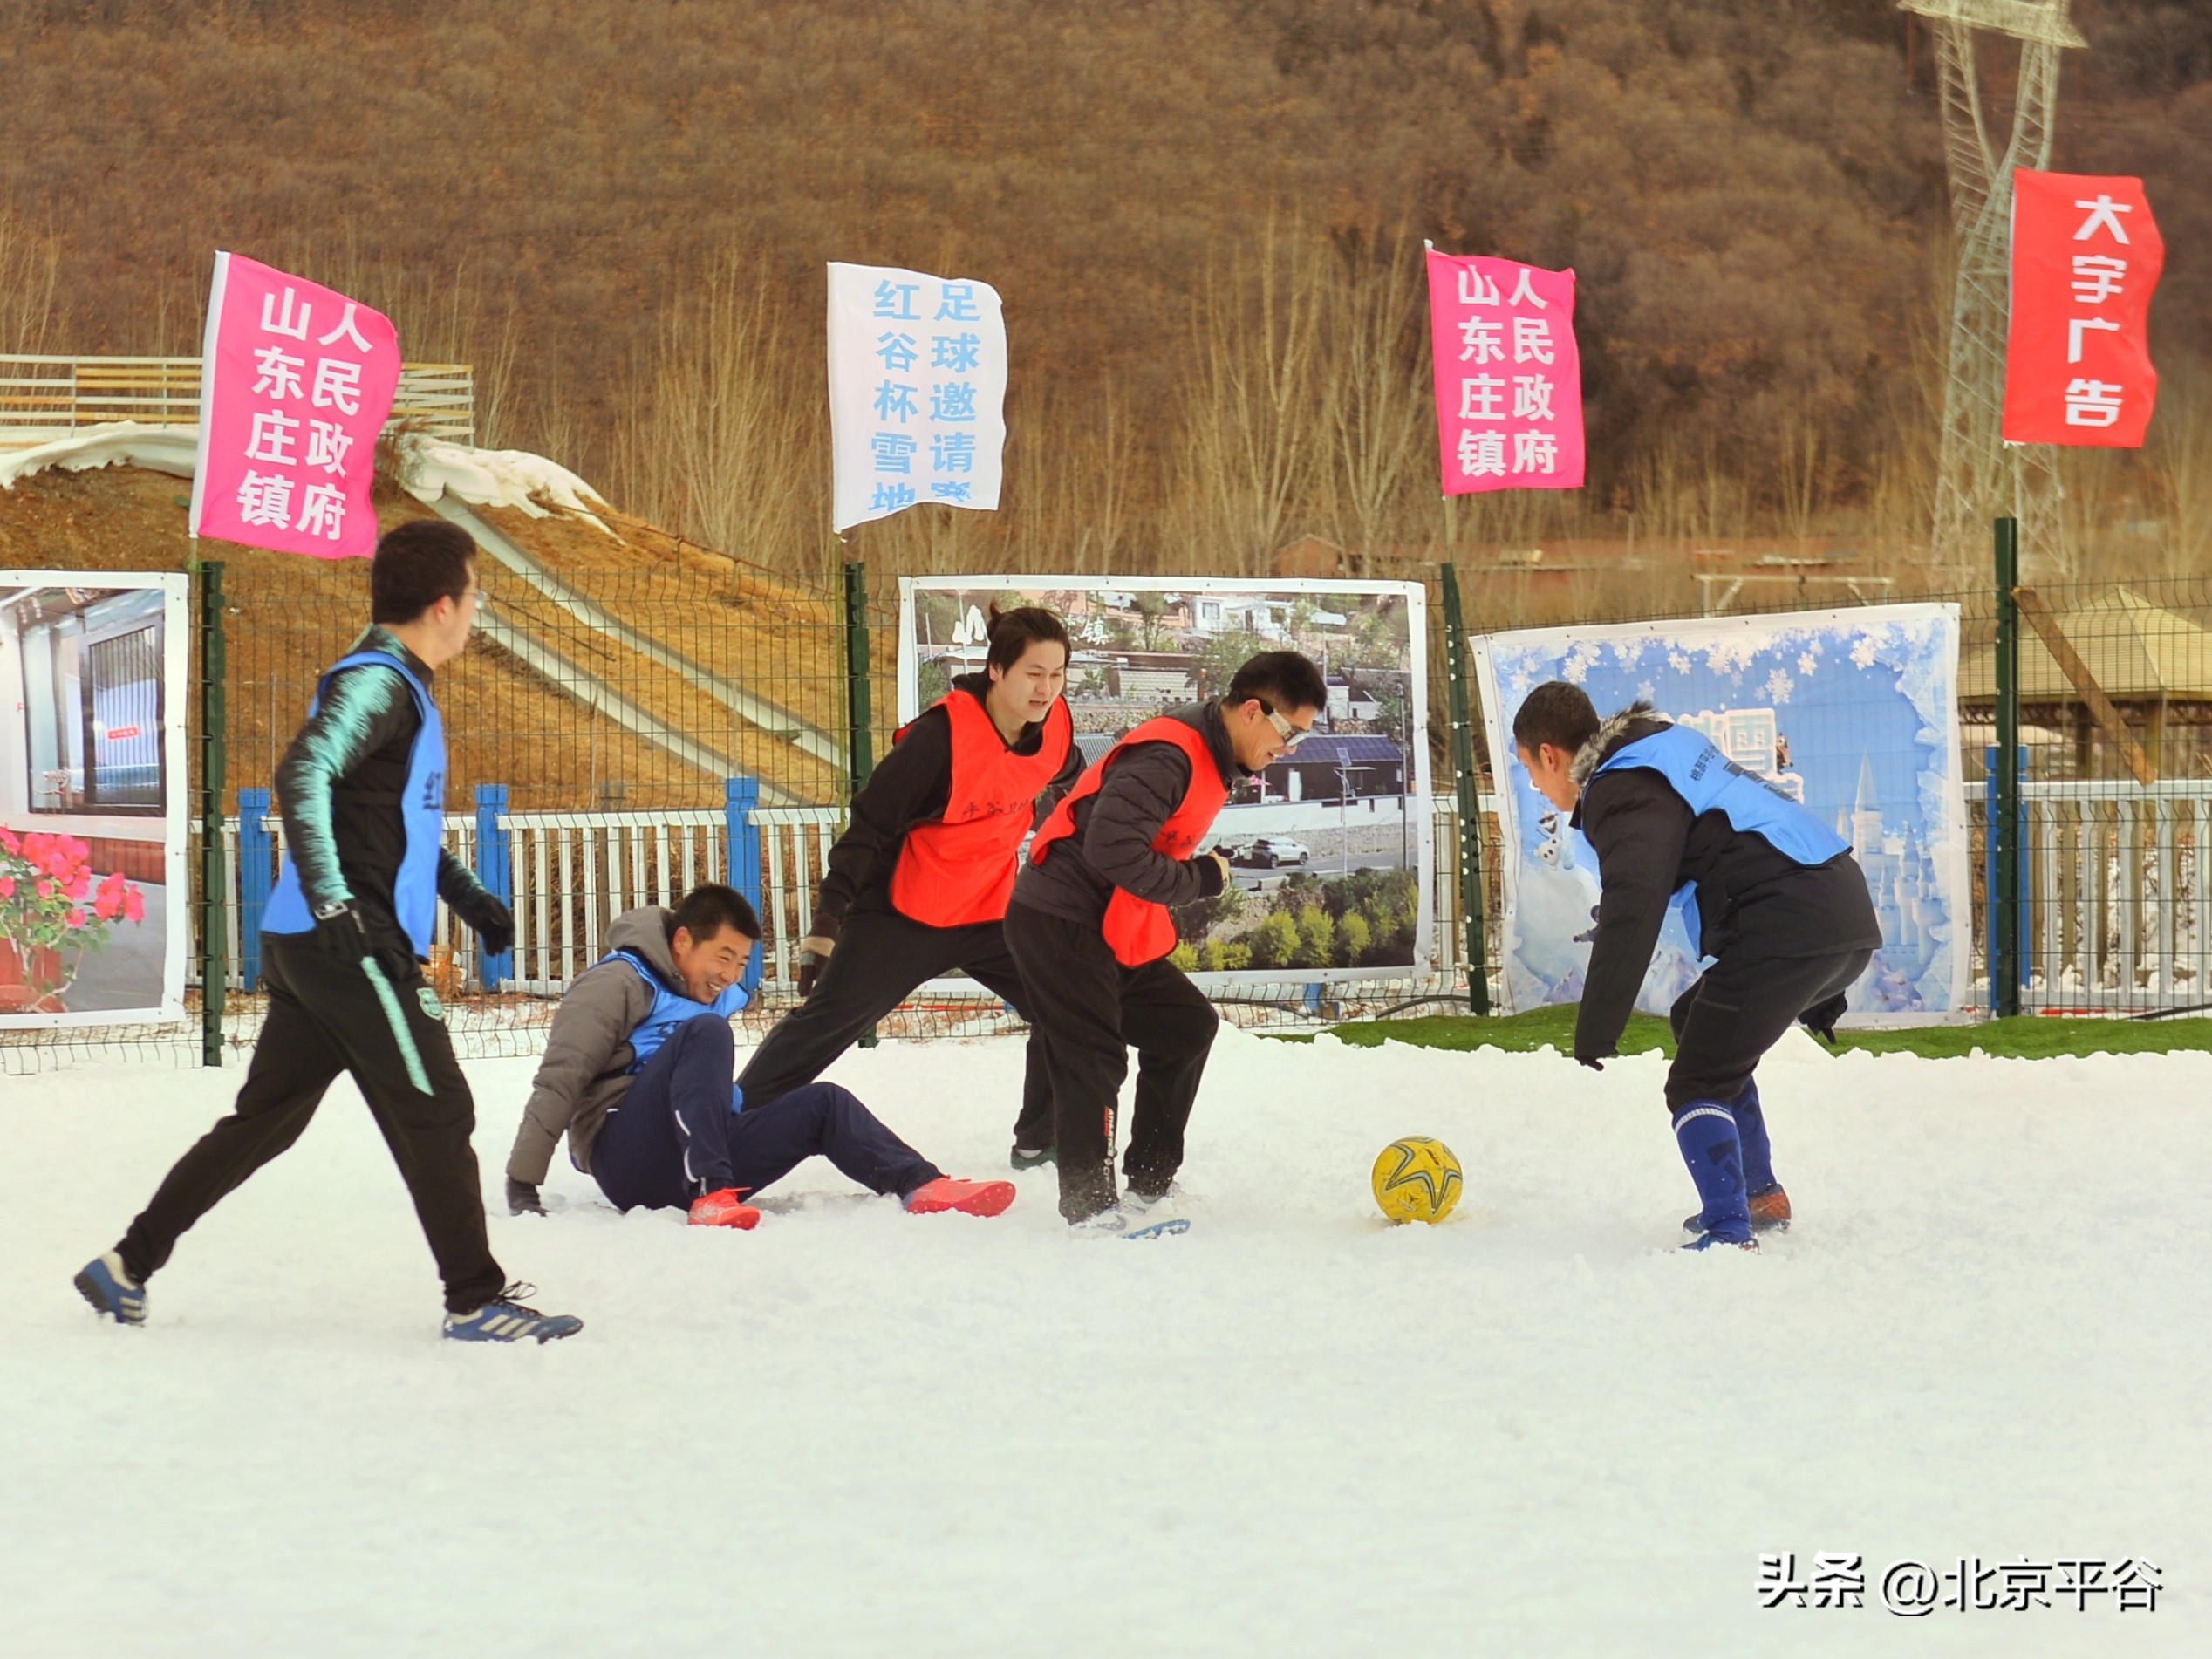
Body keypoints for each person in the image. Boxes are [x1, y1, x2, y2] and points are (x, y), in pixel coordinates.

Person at [75, 521, 581, 1342]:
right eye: (477, 595)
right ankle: (474, 1299)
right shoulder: (378, 683)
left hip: (313, 940)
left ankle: (127, 1265)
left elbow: (389, 828)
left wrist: (468, 895)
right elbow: (303, 773)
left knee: (266, 1120)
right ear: (445, 605)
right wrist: (339, 903)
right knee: (439, 1107)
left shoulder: (396, 683)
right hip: (348, 944)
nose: (477, 611)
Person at [1512, 682, 1882, 1251]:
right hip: (1835, 907)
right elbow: (1689, 852)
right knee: (1698, 1023)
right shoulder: (1660, 750)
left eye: (1531, 773)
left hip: (1787, 920)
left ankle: (1731, 1230)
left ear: (1549, 755)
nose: (1537, 788)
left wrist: (1597, 1026)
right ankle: (1759, 1197)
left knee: (1696, 1080)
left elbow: (1637, 901)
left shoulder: (1622, 786)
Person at [737, 604, 1083, 1169]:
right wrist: (827, 925)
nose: (1046, 687)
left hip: (991, 911)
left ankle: (1038, 1139)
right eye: (1032, 673)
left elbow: (1069, 776)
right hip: (905, 915)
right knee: (821, 1028)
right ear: (996, 669)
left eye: (1057, 673)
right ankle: (717, 1134)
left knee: (1065, 1003)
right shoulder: (939, 740)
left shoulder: (1055, 726)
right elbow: (866, 832)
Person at [1004, 650, 1327, 1232]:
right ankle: (1091, 1209)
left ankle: (1149, 1185)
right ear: (1253, 711)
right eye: (1290, 734)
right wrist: (1198, 879)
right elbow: (1111, 850)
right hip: (1060, 920)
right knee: (1094, 1056)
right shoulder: (1170, 756)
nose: (1290, 750)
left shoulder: (1213, 749)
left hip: (1104, 924)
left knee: (1185, 1028)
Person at [505, 884, 1015, 1225]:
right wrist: (523, 1182)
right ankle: (712, 1191)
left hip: (699, 1155)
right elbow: (560, 1080)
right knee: (706, 1033)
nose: (729, 974)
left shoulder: (706, 995)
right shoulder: (614, 983)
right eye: (722, 956)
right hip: (628, 1158)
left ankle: (921, 1186)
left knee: (823, 1103)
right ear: (682, 942)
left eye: (741, 962)